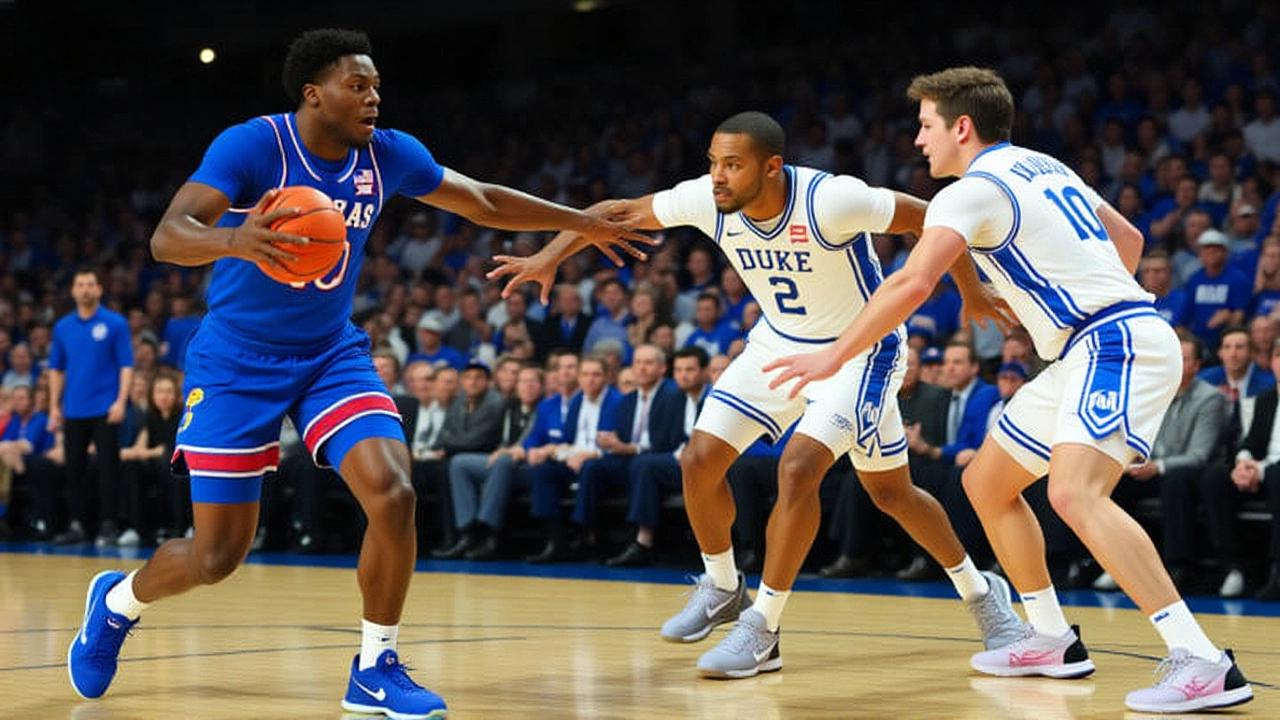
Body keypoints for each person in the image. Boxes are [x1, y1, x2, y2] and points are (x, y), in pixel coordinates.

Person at [66, 28, 649, 719]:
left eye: (376, 86)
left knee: (394, 493)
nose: (374, 97)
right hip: (235, 362)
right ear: (314, 94)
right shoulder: (255, 146)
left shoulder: (389, 155)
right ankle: (118, 601)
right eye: (357, 85)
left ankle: (375, 666)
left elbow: (483, 201)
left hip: (329, 355)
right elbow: (168, 236)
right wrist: (234, 238)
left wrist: (580, 223)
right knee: (217, 557)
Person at [762, 66, 1252, 713]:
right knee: (987, 482)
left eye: (927, 125)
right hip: (1093, 342)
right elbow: (1127, 239)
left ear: (962, 127)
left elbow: (911, 285)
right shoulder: (1042, 165)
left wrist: (833, 353)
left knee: (1074, 493)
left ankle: (1201, 660)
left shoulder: (969, 192)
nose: (918, 140)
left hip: (1113, 343)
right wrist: (1076, 303)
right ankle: (1050, 636)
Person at [490, 110, 1022, 678]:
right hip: (776, 344)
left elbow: (934, 219)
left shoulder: (832, 201)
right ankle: (723, 586)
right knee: (702, 460)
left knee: (813, 473)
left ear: (772, 167)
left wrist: (971, 291)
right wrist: (548, 257)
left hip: (860, 352)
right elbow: (610, 213)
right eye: (713, 163)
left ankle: (770, 628)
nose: (717, 176)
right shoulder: (707, 199)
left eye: (732, 165)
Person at [49, 266, 134, 547]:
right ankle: (76, 525)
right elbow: (56, 370)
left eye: (90, 284)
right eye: (80, 284)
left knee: (108, 469)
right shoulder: (63, 327)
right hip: (73, 408)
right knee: (74, 470)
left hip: (106, 408)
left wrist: (121, 401)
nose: (85, 289)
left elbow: (126, 365)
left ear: (99, 289)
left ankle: (109, 525)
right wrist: (53, 406)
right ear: (73, 291)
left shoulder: (115, 323)